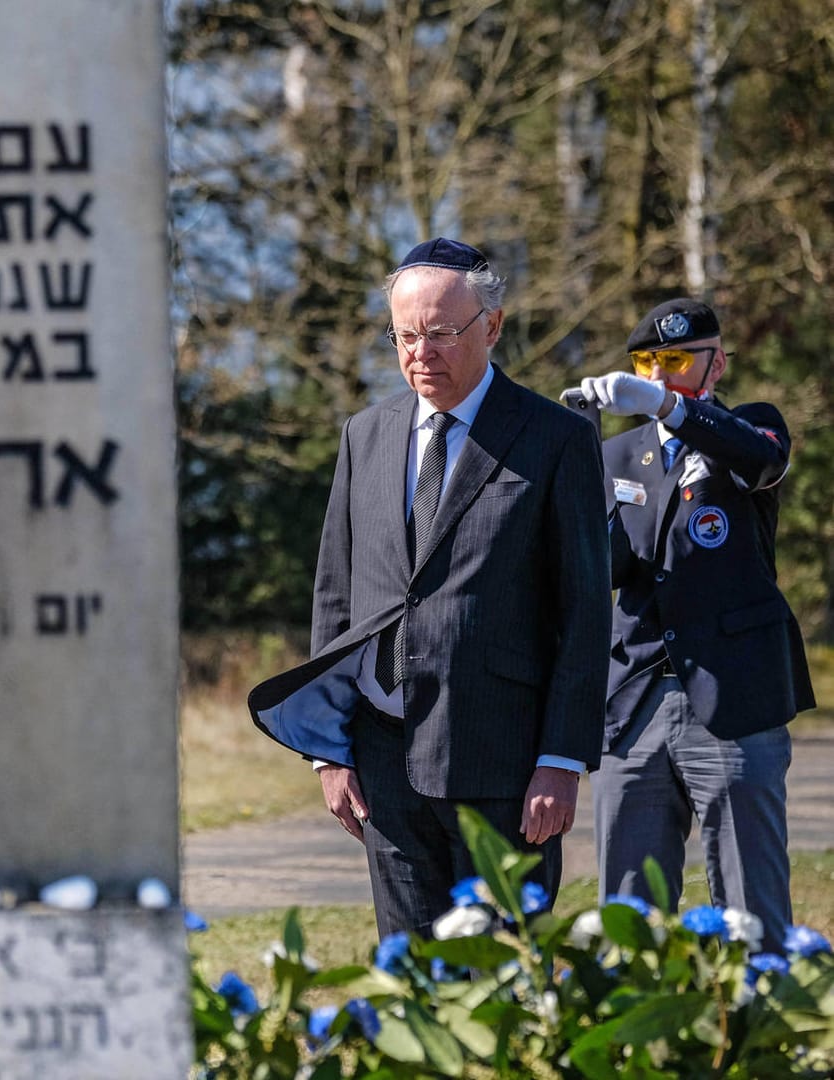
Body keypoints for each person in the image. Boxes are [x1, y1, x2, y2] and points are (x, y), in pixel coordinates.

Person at [248, 238, 610, 940]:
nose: (421, 352)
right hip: (385, 760)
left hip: (504, 762)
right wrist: (331, 751)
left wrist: (561, 761)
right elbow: (336, 598)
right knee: (409, 981)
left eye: (442, 333)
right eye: (405, 335)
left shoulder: (556, 438)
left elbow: (584, 612)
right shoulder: (364, 435)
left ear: (493, 327)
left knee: (504, 979)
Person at [575, 298, 815, 952]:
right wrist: (574, 456)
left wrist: (669, 410)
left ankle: (759, 1036)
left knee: (751, 904)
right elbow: (604, 568)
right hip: (637, 700)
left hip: (734, 697)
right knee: (626, 913)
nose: (658, 375)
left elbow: (760, 462)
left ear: (717, 363)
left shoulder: (750, 428)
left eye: (676, 360)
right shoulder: (619, 456)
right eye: (646, 362)